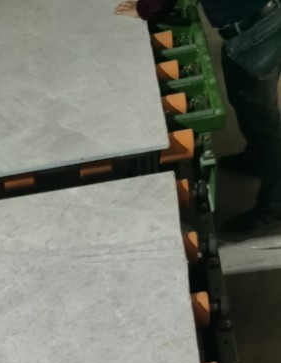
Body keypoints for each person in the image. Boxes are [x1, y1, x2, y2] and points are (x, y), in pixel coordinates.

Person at [115, 0, 281, 232]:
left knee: (262, 120)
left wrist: (146, 8)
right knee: (248, 106)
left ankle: (274, 204)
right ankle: (258, 158)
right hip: (256, 20)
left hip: (256, 29)